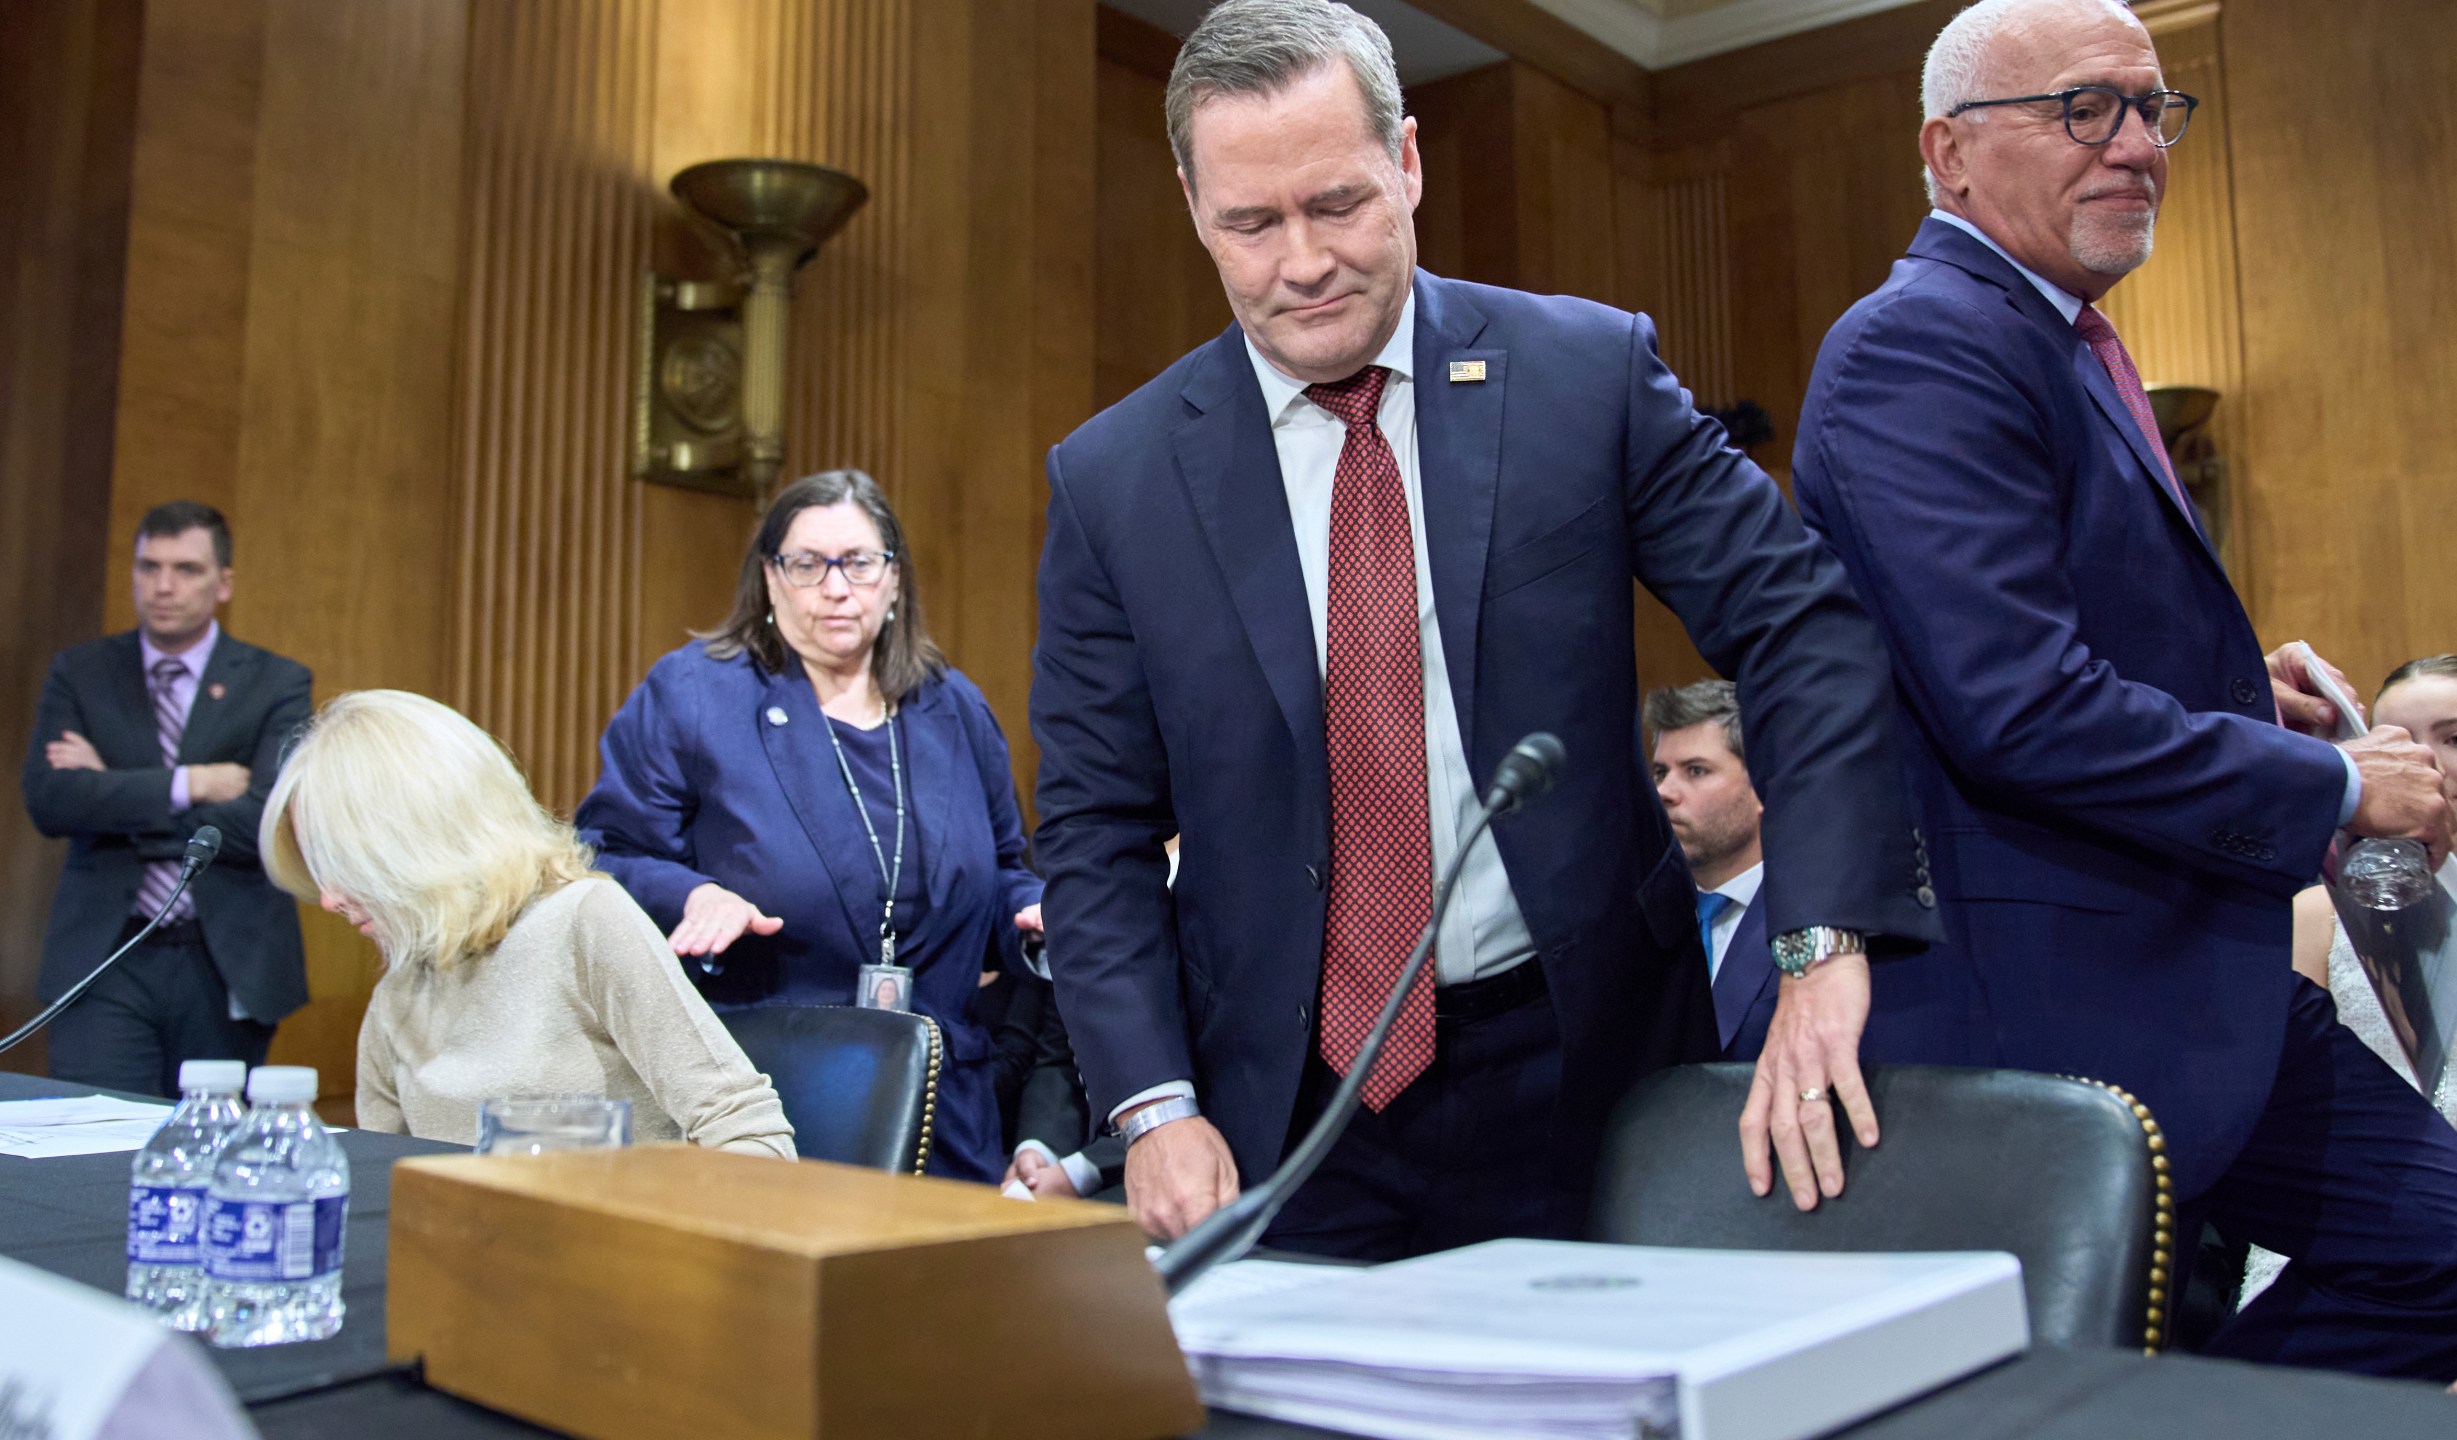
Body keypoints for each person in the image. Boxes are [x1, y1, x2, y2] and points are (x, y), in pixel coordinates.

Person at [1032, 0, 1935, 1259]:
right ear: (1194, 206)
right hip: (1276, 1109)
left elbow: (1802, 625)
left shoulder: (1583, 377)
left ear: (1406, 161)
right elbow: (1091, 825)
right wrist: (1150, 1103)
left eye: (1337, 203)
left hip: (1584, 1065)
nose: (1301, 262)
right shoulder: (1113, 481)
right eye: (1251, 222)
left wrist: (1823, 937)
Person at [1784, 0, 2457, 1376]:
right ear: (1947, 154)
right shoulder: (1926, 344)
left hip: (2177, 975)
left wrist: (2249, 705)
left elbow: (2045, 646)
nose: (2138, 145)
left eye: (2154, 108)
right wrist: (2332, 779)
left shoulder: (2055, 334)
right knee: (2010, 1386)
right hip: (2031, 999)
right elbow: (2017, 707)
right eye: (2085, 109)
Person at [577, 470, 1043, 1181]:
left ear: (894, 580)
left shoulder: (954, 709)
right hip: (768, 1101)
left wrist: (1032, 915)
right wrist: (693, 896)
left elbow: (1003, 872)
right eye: (806, 565)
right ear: (769, 579)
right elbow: (603, 854)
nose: (835, 587)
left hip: (945, 1113)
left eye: (858, 562)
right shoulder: (696, 694)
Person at [260, 690, 794, 1158]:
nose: (327, 899)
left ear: (416, 840)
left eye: (344, 866)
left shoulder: (583, 920)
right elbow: (386, 1199)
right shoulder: (398, 993)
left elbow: (750, 1137)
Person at [2261, 656, 2457, 1399]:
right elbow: (2263, 1114)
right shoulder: (2312, 918)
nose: (2428, 763)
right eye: (2399, 741)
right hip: (2356, 1258)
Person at [21, 501, 311, 1097]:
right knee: (91, 1146)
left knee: (214, 1151)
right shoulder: (83, 672)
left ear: (223, 582)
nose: (164, 586)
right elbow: (52, 800)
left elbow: (265, 820)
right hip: (107, 954)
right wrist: (192, 783)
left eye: (186, 568)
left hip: (225, 957)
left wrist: (112, 789)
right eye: (148, 567)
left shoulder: (276, 682)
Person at [1645, 680, 1776, 1061]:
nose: (1664, 791)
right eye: (1659, 772)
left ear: (1763, 788)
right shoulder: (1645, 918)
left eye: (1696, 771)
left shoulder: (1810, 915)